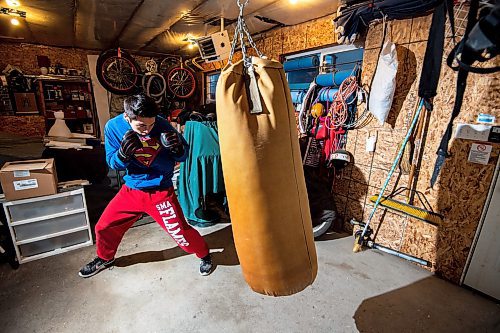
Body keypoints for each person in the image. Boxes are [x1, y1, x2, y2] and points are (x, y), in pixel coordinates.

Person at [79, 93, 212, 278]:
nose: (148, 130)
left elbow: (183, 155)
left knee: (181, 233)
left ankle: (205, 254)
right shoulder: (113, 127)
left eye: (151, 124)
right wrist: (122, 155)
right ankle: (105, 258)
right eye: (142, 125)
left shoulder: (162, 125)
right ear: (127, 117)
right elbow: (112, 162)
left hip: (160, 191)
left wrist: (178, 149)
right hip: (132, 190)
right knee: (104, 227)